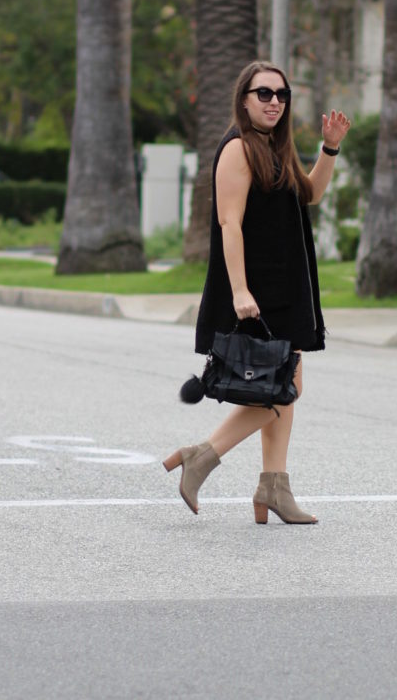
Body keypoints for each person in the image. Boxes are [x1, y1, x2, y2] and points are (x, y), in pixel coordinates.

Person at [164, 59, 351, 525]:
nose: (274, 102)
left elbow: (310, 195)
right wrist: (240, 291)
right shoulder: (238, 149)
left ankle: (274, 486)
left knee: (280, 388)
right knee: (282, 389)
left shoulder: (275, 147)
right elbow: (229, 223)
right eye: (264, 93)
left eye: (281, 95)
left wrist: (329, 149)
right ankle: (202, 457)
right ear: (244, 100)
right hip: (257, 291)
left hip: (286, 289)